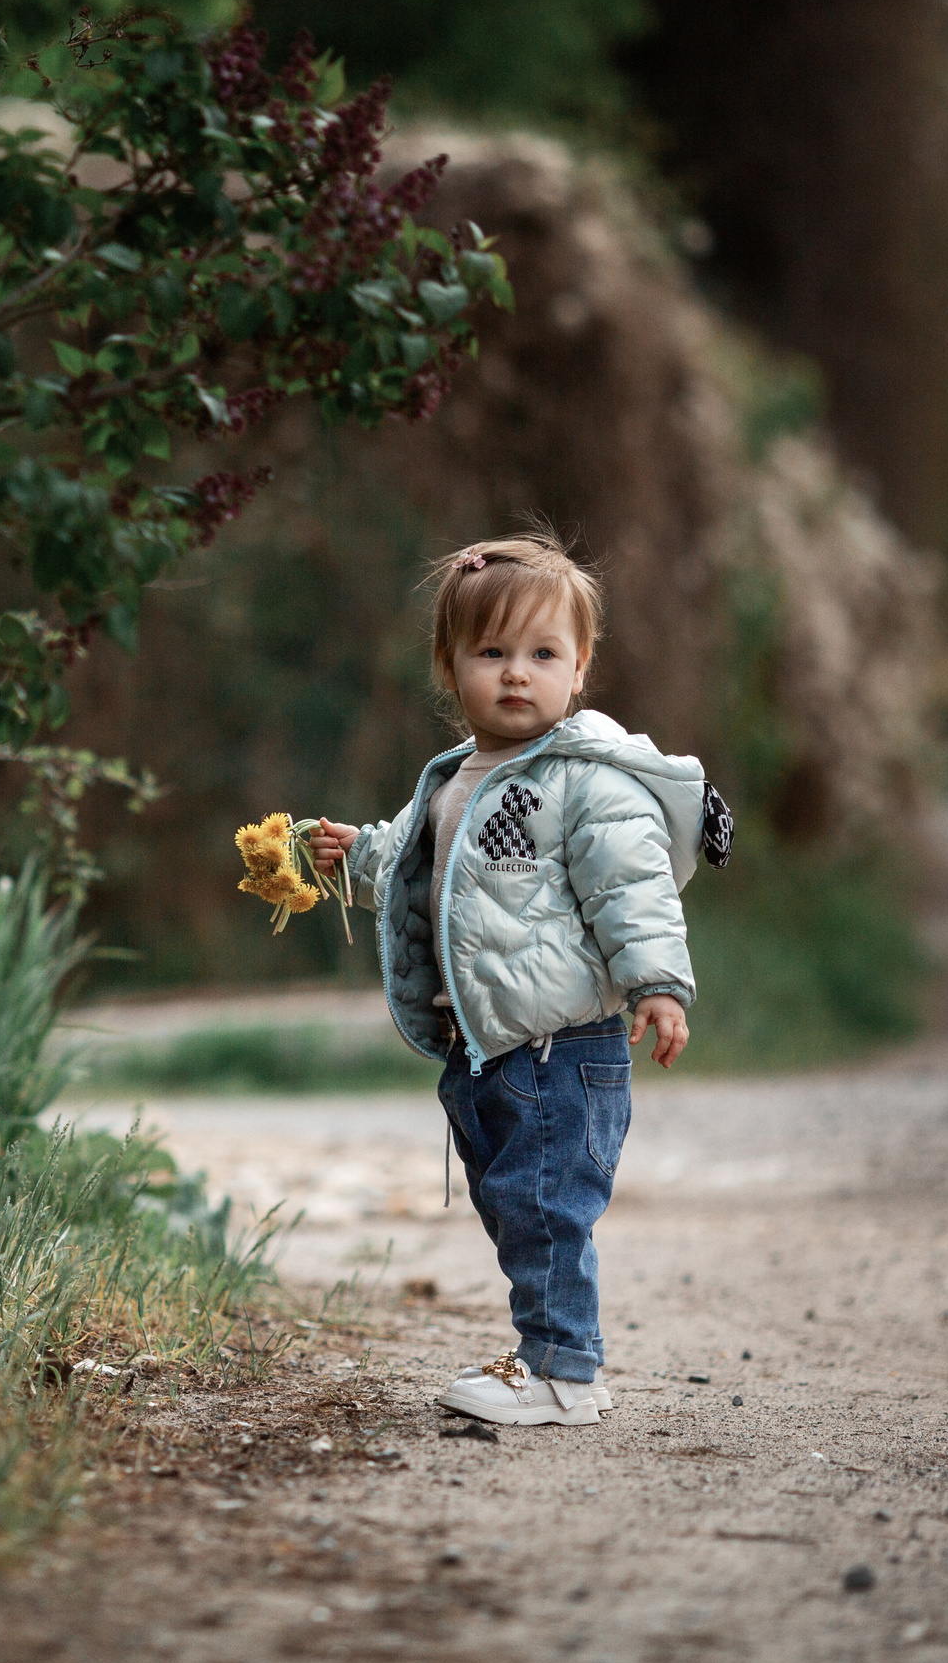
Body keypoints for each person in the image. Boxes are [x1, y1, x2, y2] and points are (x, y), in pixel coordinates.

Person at [308, 533, 725, 1427]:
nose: (514, 674)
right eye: (490, 653)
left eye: (542, 654)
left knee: (543, 1211)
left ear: (580, 670)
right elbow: (421, 870)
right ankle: (549, 1351)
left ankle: (564, 1372)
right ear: (448, 667)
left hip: (559, 1048)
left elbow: (631, 886)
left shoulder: (587, 780)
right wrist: (357, 857)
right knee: (515, 1208)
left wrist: (657, 983)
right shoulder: (456, 778)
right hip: (487, 1048)